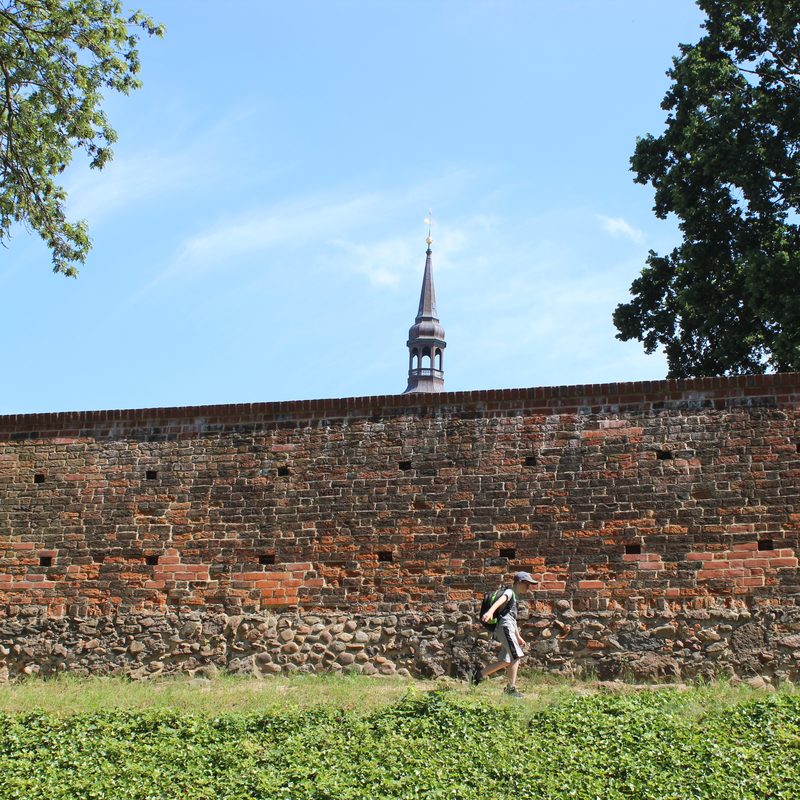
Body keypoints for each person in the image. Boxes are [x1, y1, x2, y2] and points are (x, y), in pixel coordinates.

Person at [472, 571, 538, 697]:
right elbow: (501, 600)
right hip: (505, 627)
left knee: (506, 660)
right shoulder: (509, 592)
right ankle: (510, 689)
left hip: (508, 628)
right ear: (519, 582)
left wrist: (518, 637)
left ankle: (478, 675)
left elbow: (512, 619)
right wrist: (490, 612)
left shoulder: (515, 597)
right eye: (527, 584)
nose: (528, 587)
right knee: (516, 656)